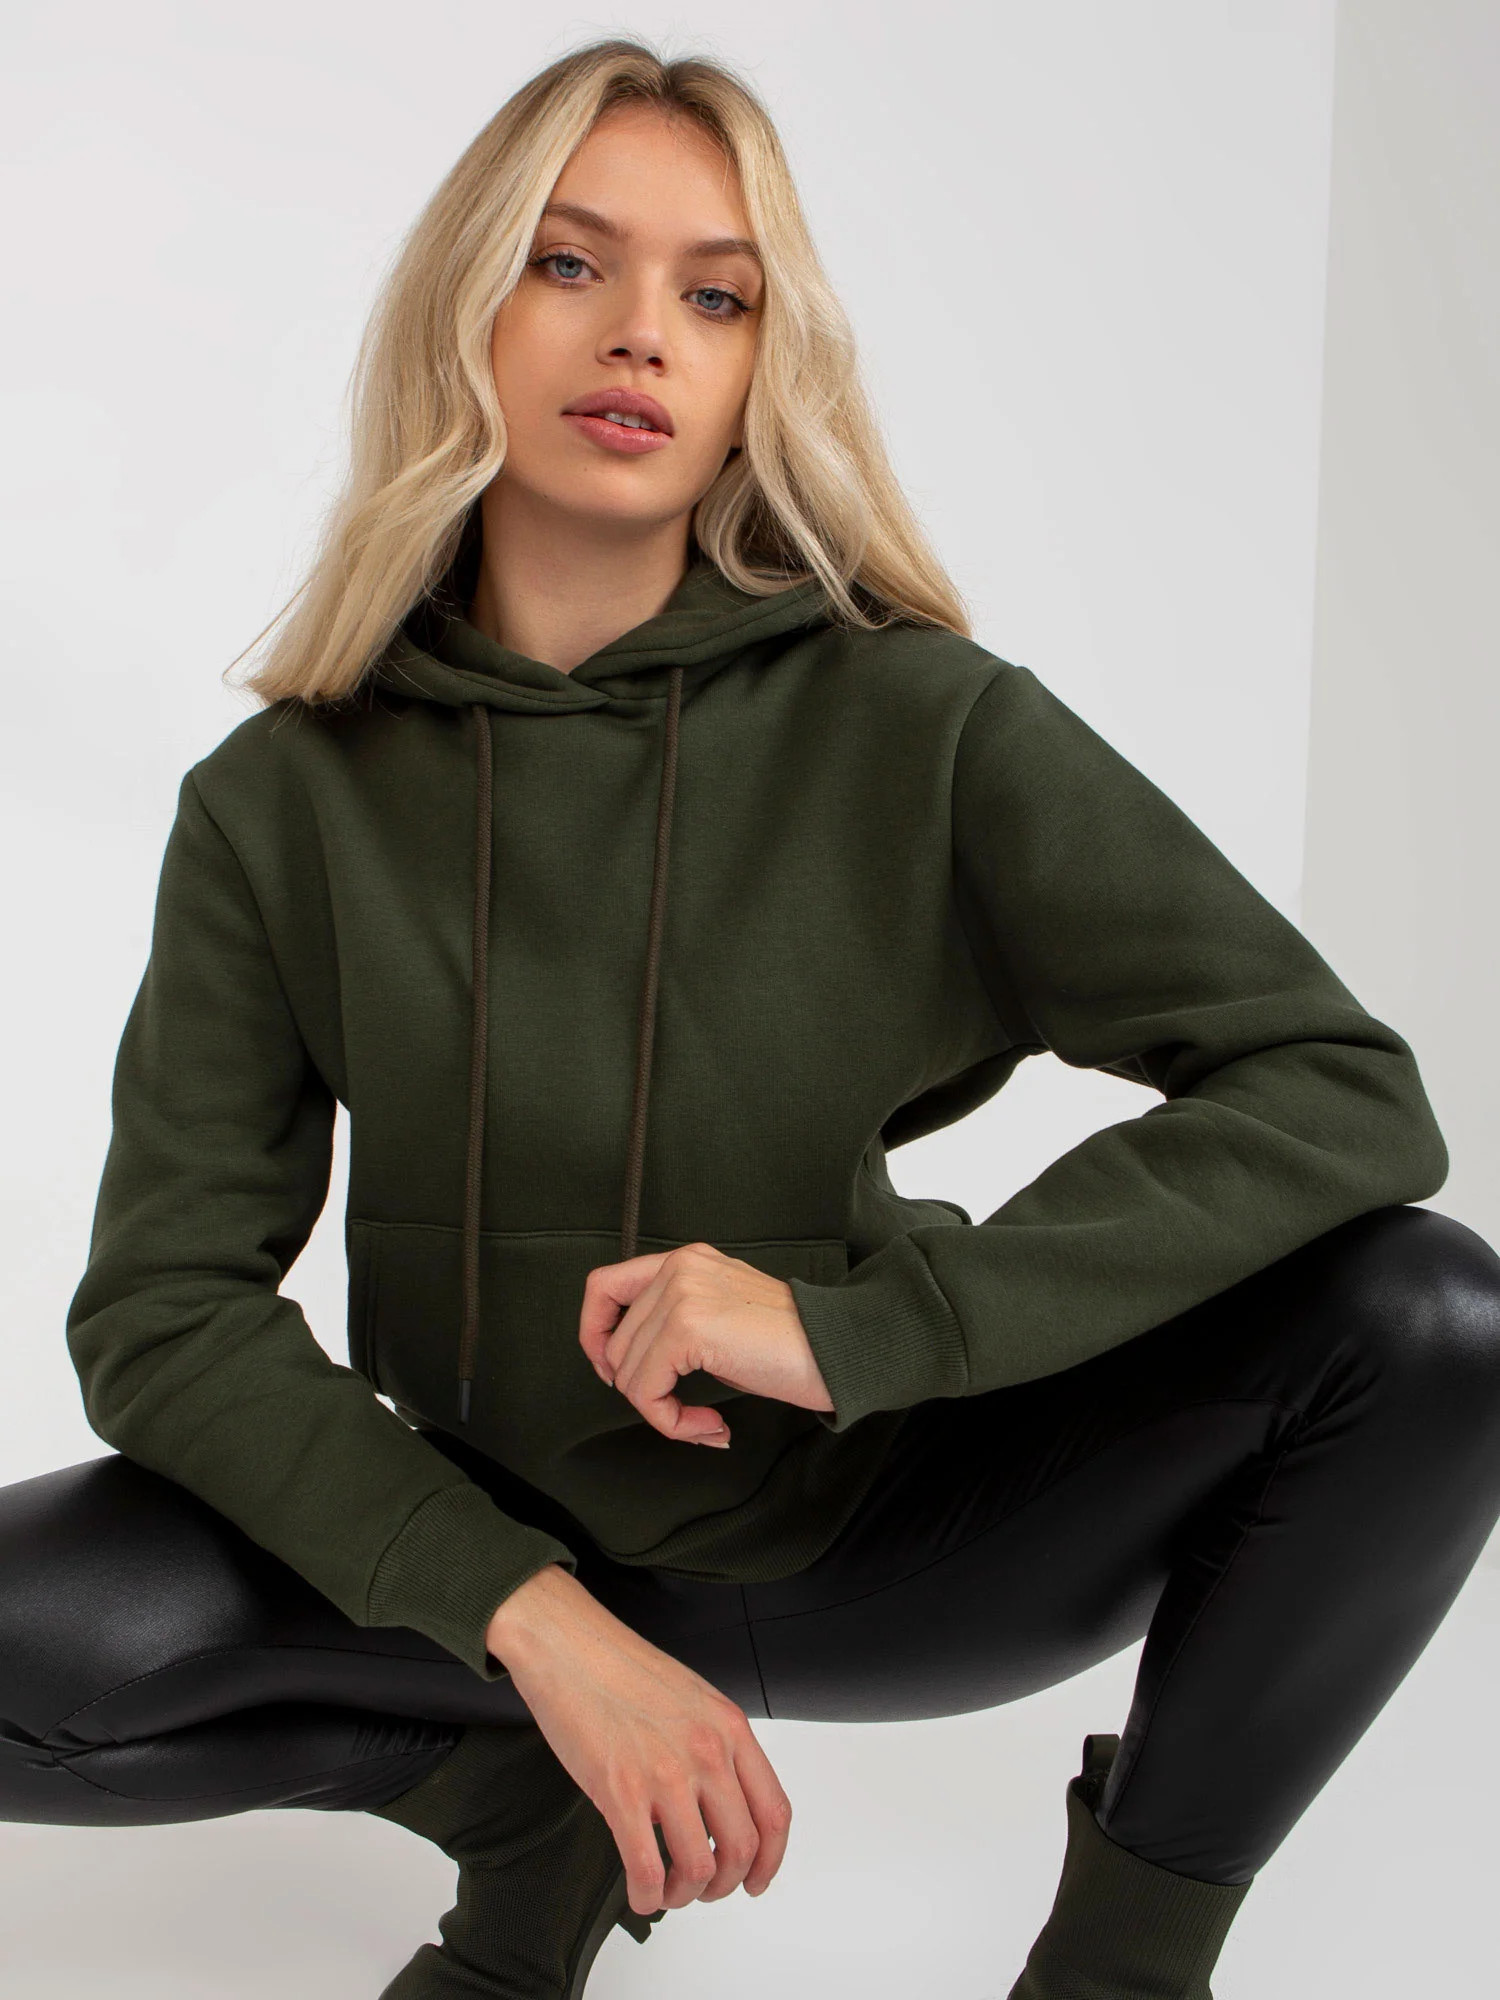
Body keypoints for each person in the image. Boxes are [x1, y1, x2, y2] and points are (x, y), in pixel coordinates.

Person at [4, 32, 1498, 2000]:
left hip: (898, 1529)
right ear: (465, 307)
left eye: (716, 296)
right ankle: (524, 1816)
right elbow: (165, 1311)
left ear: (757, 372)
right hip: (492, 1546)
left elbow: (1340, 1092)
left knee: (1432, 1321)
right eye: (569, 263)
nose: (642, 332)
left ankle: (1120, 1975)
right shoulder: (285, 804)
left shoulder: (920, 725)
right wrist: (528, 1612)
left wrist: (855, 1329)